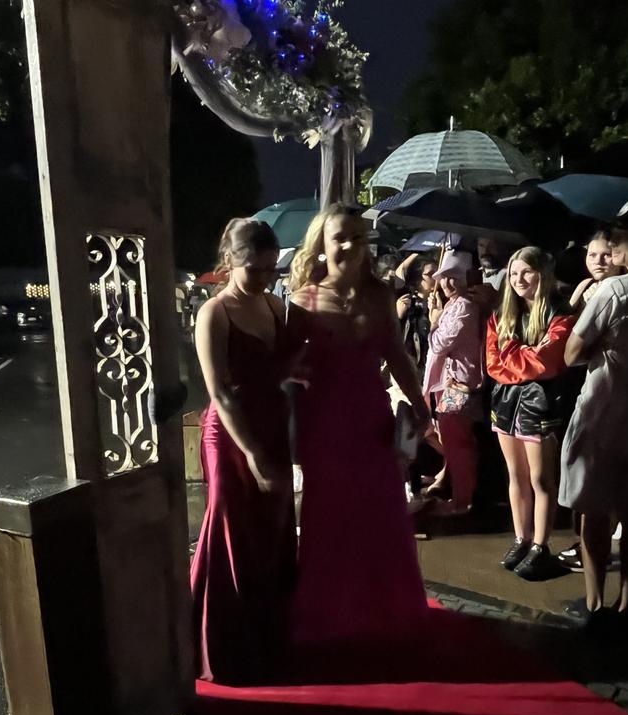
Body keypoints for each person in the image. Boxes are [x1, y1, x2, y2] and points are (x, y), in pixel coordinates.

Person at [287, 203, 430, 660]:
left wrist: (420, 404)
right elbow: (285, 366)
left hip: (371, 418)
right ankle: (330, 613)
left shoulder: (381, 295)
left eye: (356, 236)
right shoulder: (304, 300)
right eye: (339, 237)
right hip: (324, 420)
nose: (348, 245)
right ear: (322, 246)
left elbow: (397, 354)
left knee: (382, 511)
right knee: (329, 517)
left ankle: (386, 610)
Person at [190, 219, 297, 684]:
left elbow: (283, 366)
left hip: (272, 426)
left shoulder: (275, 304)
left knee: (271, 532)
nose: (264, 278)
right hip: (230, 434)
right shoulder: (215, 312)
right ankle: (223, 645)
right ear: (231, 261)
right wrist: (252, 453)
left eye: (272, 269)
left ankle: (270, 632)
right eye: (255, 269)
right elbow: (221, 393)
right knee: (231, 530)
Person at [559, 200, 628, 630]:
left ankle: (594, 604)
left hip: (604, 410)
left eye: (620, 240)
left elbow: (572, 351)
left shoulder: (614, 292)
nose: (613, 250)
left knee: (594, 511)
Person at [486, 247, 575, 580]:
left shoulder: (558, 311)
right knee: (515, 476)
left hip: (541, 403)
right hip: (506, 402)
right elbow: (494, 364)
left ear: (542, 273)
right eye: (513, 273)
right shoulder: (502, 313)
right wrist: (523, 356)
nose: (518, 279)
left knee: (540, 478)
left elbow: (548, 361)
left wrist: (516, 356)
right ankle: (521, 538)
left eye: (526, 272)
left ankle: (540, 545)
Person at [556, 230, 623, 572]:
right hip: (584, 386)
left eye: (605, 254)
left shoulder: (617, 291)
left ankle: (597, 559)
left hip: (610, 395)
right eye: (592, 254)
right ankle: (583, 544)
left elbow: (576, 348)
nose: (599, 261)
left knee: (601, 482)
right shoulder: (583, 290)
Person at [423, 250, 483, 516]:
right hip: (450, 383)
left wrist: (433, 322)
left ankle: (462, 501)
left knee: (457, 442)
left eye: (454, 277)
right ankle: (457, 492)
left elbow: (439, 344)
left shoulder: (465, 308)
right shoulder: (454, 305)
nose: (447, 283)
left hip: (461, 384)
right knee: (449, 437)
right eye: (444, 277)